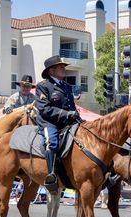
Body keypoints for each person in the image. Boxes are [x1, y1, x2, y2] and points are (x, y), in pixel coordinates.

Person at [35, 55, 81, 192]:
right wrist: (66, 114)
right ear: (51, 71)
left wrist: (75, 116)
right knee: (51, 142)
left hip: (68, 122)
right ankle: (52, 175)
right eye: (60, 67)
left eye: (63, 67)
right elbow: (44, 109)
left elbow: (71, 106)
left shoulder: (67, 86)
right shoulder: (43, 86)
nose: (63, 69)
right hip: (50, 122)